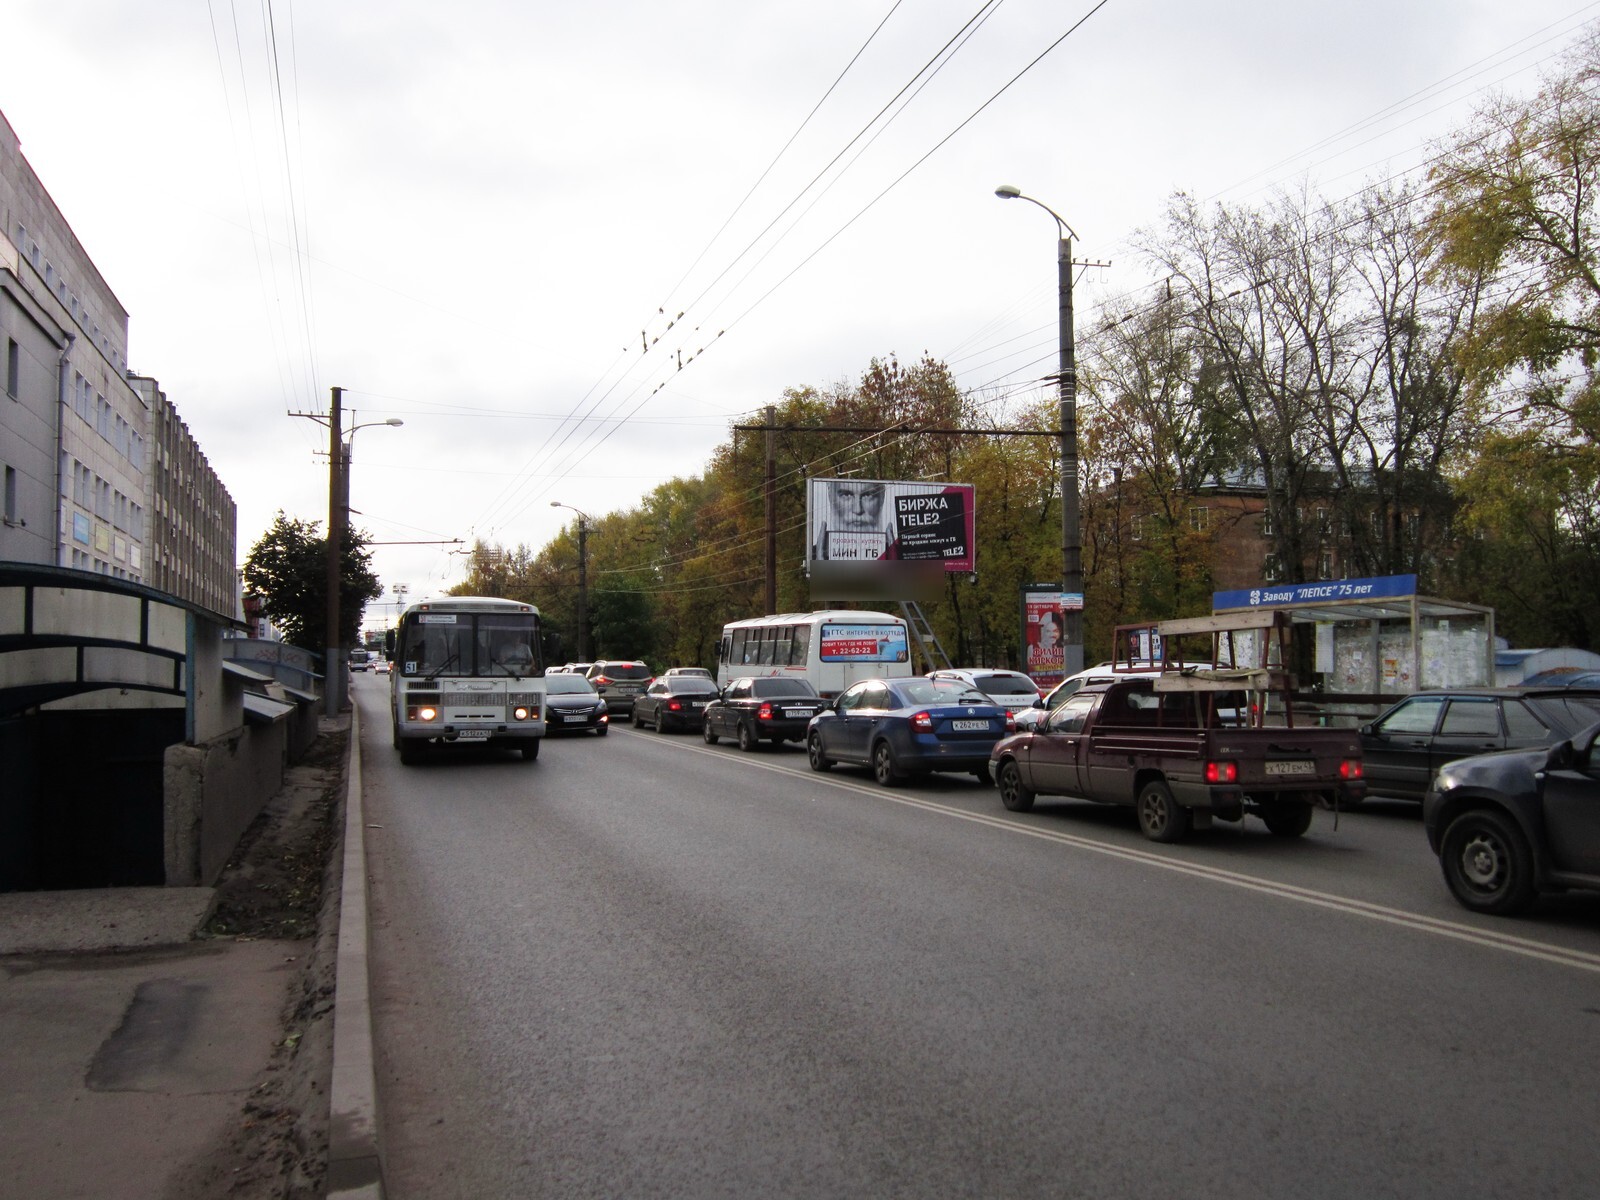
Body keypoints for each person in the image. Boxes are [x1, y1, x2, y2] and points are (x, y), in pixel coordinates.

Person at [814, 480, 894, 560]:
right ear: (830, 496)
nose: (858, 510)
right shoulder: (813, 556)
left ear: (882, 497)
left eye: (868, 495)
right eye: (846, 495)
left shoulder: (898, 555)